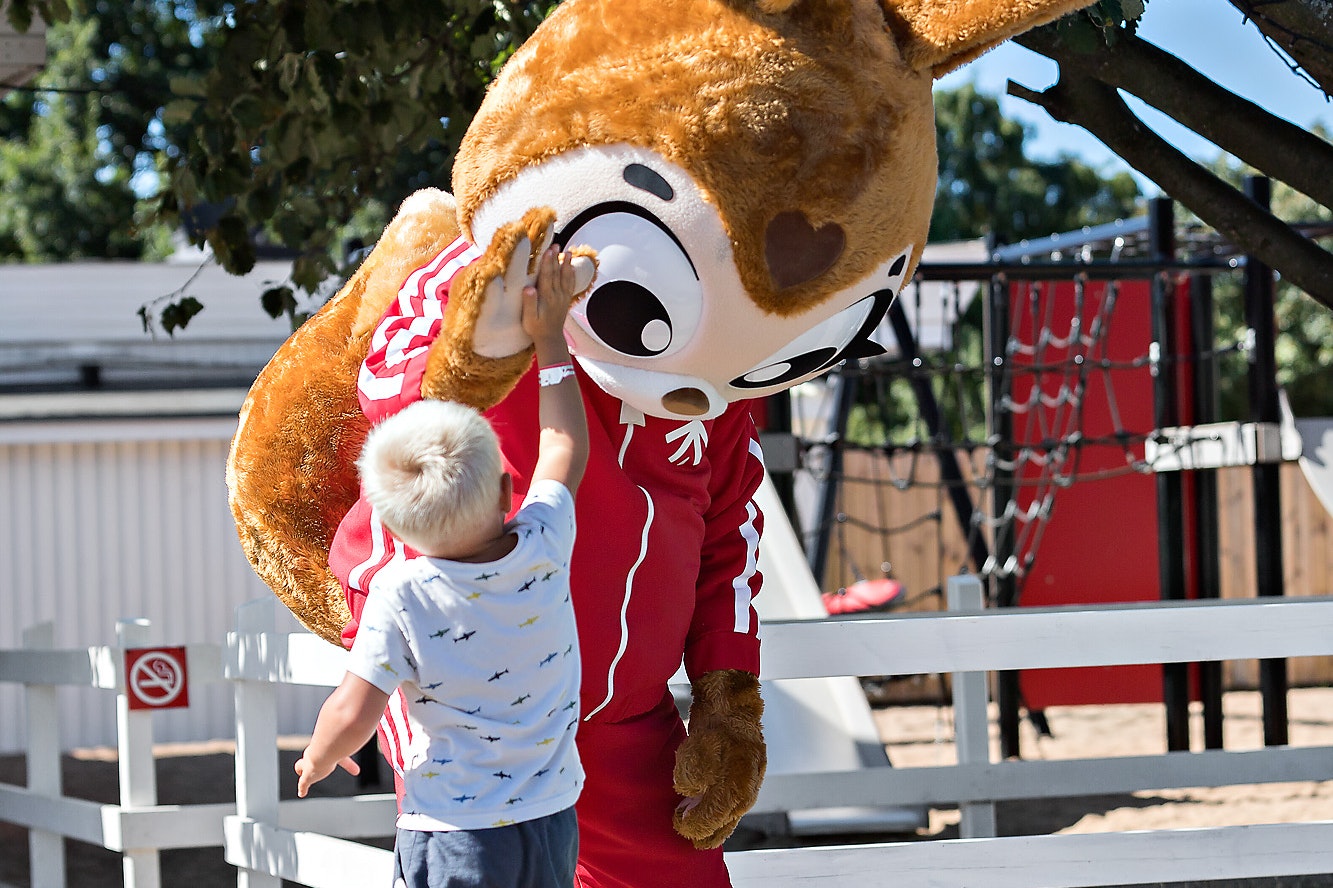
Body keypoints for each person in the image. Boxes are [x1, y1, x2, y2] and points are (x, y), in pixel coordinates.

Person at [295, 246, 591, 888]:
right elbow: (565, 443)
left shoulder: (402, 592)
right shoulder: (544, 542)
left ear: (398, 530)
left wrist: (320, 754)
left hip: (455, 833)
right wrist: (550, 339)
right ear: (508, 490)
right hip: (551, 819)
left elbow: (353, 710)